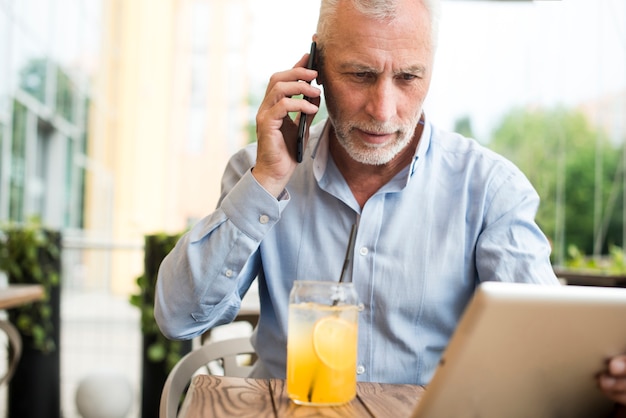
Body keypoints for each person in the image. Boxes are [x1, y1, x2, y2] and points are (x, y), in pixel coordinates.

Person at [155, 0, 626, 407]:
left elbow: (545, 349)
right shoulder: (259, 171)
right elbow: (179, 318)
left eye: (408, 77)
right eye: (360, 74)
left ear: (431, 68)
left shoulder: (489, 190)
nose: (383, 109)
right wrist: (267, 181)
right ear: (315, 64)